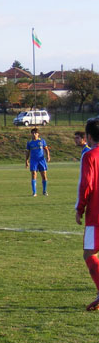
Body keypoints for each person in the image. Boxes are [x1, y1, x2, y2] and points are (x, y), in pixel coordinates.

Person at [76, 119, 99, 310]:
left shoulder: (89, 156)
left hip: (96, 215)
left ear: (89, 137)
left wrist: (79, 209)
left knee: (89, 253)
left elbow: (86, 185)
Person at [25, 127, 51, 196]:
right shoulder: (29, 143)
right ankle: (34, 192)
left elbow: (46, 149)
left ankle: (44, 191)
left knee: (44, 175)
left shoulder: (42, 141)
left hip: (41, 160)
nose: (34, 134)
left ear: (38, 134)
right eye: (33, 133)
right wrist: (26, 161)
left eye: (35, 133)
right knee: (33, 174)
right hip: (33, 160)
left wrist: (48, 156)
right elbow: (27, 152)